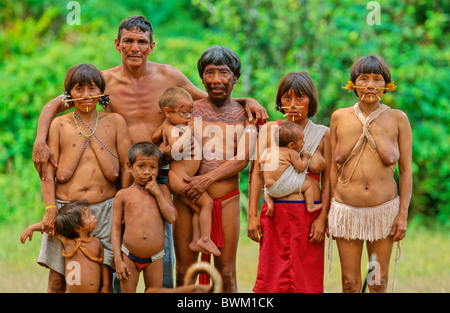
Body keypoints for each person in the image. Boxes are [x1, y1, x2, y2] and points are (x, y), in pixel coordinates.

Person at [31, 15, 268, 288]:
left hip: (163, 173)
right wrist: (40, 139)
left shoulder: (168, 76)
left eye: (141, 42)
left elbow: (208, 96)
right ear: (117, 45)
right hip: (124, 176)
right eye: (128, 41)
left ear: (151, 46)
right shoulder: (104, 83)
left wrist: (247, 100)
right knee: (121, 249)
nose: (135, 48)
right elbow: (55, 104)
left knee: (160, 251)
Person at [37, 64, 132, 293]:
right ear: (69, 94)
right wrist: (51, 208)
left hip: (106, 212)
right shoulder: (59, 125)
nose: (87, 95)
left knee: (104, 283)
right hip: (67, 211)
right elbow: (47, 174)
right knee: (58, 280)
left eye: (92, 88)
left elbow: (127, 168)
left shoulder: (115, 122)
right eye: (79, 89)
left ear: (101, 91)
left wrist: (123, 207)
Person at [173, 45, 258, 292]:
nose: (216, 80)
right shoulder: (189, 111)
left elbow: (242, 160)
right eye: (210, 73)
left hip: (227, 200)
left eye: (223, 73)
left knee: (227, 274)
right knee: (183, 272)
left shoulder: (247, 115)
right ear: (201, 77)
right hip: (187, 199)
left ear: (235, 77)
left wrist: (206, 180)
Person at [329, 54, 412, 293]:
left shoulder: (398, 119)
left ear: (387, 85)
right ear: (353, 84)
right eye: (364, 78)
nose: (370, 85)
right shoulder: (339, 117)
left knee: (377, 282)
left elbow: (406, 172)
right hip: (347, 212)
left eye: (377, 79)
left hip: (383, 212)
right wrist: (329, 210)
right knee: (350, 283)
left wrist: (402, 215)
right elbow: (333, 169)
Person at [248, 72, 331, 293]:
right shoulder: (269, 130)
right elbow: (256, 174)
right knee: (271, 279)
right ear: (280, 101)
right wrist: (252, 216)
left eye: (300, 98)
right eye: (286, 98)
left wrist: (322, 218)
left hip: (308, 218)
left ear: (311, 101)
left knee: (307, 281)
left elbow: (329, 181)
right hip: (274, 216)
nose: (293, 105)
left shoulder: (323, 134)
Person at [153, 87, 220, 256]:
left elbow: (154, 137)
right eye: (184, 113)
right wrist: (189, 131)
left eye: (191, 111)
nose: (189, 117)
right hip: (179, 178)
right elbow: (178, 147)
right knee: (207, 203)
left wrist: (161, 135)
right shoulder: (176, 129)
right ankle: (205, 238)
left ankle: (196, 241)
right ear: (168, 112)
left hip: (181, 177)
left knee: (198, 209)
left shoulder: (168, 125)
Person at [111, 142, 176, 292]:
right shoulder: (123, 195)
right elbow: (115, 229)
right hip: (129, 255)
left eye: (152, 167)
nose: (147, 172)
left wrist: (157, 193)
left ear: (158, 169)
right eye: (141, 166)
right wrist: (118, 259)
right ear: (129, 166)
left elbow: (171, 218)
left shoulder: (163, 190)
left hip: (155, 257)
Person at [21, 201, 111, 293]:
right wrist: (31, 228)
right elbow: (50, 227)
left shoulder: (96, 243)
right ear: (77, 228)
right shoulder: (68, 242)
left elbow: (103, 265)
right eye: (88, 216)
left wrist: (106, 285)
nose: (94, 216)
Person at [261, 120, 322, 216]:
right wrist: (305, 157)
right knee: (307, 185)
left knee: (266, 192)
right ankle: (310, 206)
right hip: (283, 186)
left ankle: (270, 205)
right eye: (302, 142)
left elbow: (260, 162)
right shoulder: (291, 152)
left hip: (270, 189)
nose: (304, 143)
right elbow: (300, 168)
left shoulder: (268, 151)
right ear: (291, 145)